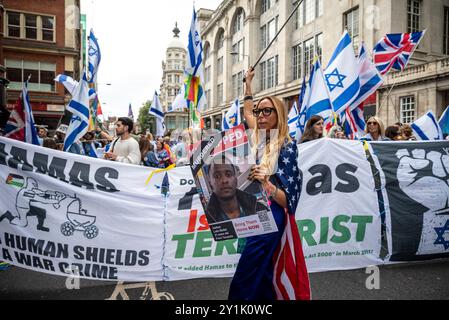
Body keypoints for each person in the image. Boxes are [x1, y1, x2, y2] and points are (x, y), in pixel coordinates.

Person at [227, 68, 310, 301]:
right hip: (250, 212)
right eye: (259, 111)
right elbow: (246, 110)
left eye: (267, 111)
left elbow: (290, 200)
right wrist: (248, 83)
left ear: (278, 115)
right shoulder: (257, 136)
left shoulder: (286, 146)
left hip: (271, 216)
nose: (260, 115)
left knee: (245, 276)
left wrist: (266, 183)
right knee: (261, 274)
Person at [205, 157, 267, 223]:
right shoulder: (206, 221)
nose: (224, 180)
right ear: (210, 183)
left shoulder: (259, 209)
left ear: (236, 179)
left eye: (228, 174)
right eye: (217, 176)